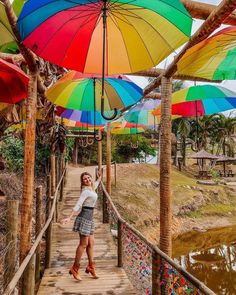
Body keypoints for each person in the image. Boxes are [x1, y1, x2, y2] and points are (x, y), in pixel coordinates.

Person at [60, 171, 101, 281]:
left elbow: (96, 184)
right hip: (84, 218)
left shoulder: (92, 188)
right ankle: (75, 268)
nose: (87, 180)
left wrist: (99, 177)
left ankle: (91, 266)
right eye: (85, 179)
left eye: (89, 178)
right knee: (83, 244)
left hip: (90, 219)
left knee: (91, 243)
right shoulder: (85, 191)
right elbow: (78, 204)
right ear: (82, 182)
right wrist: (69, 217)